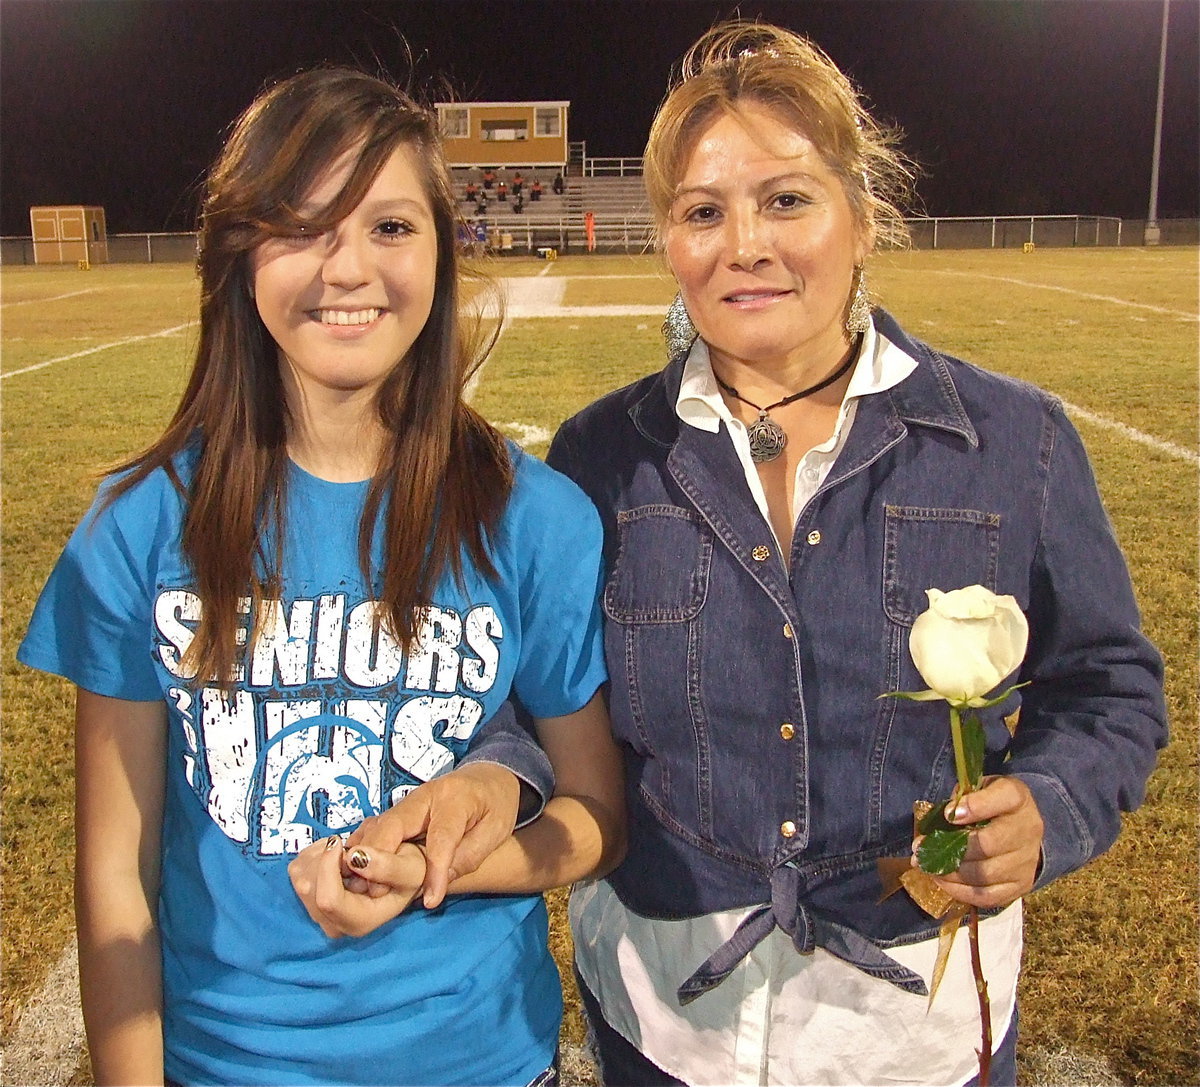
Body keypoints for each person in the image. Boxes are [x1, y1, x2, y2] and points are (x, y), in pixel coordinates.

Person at [543, 21, 1167, 1087]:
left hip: (910, 1039)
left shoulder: (1016, 442)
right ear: (667, 242)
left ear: (864, 217)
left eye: (787, 199)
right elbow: (551, 712)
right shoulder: (601, 457)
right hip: (666, 1018)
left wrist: (1046, 806)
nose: (745, 243)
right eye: (703, 211)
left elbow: (1109, 687)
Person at [17, 67, 625, 1087]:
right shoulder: (138, 525)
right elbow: (115, 874)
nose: (348, 267)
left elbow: (596, 812)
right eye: (302, 225)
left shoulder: (536, 516)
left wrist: (454, 864)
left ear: (440, 247)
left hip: (482, 1059)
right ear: (242, 255)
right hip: (226, 1064)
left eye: (389, 226)